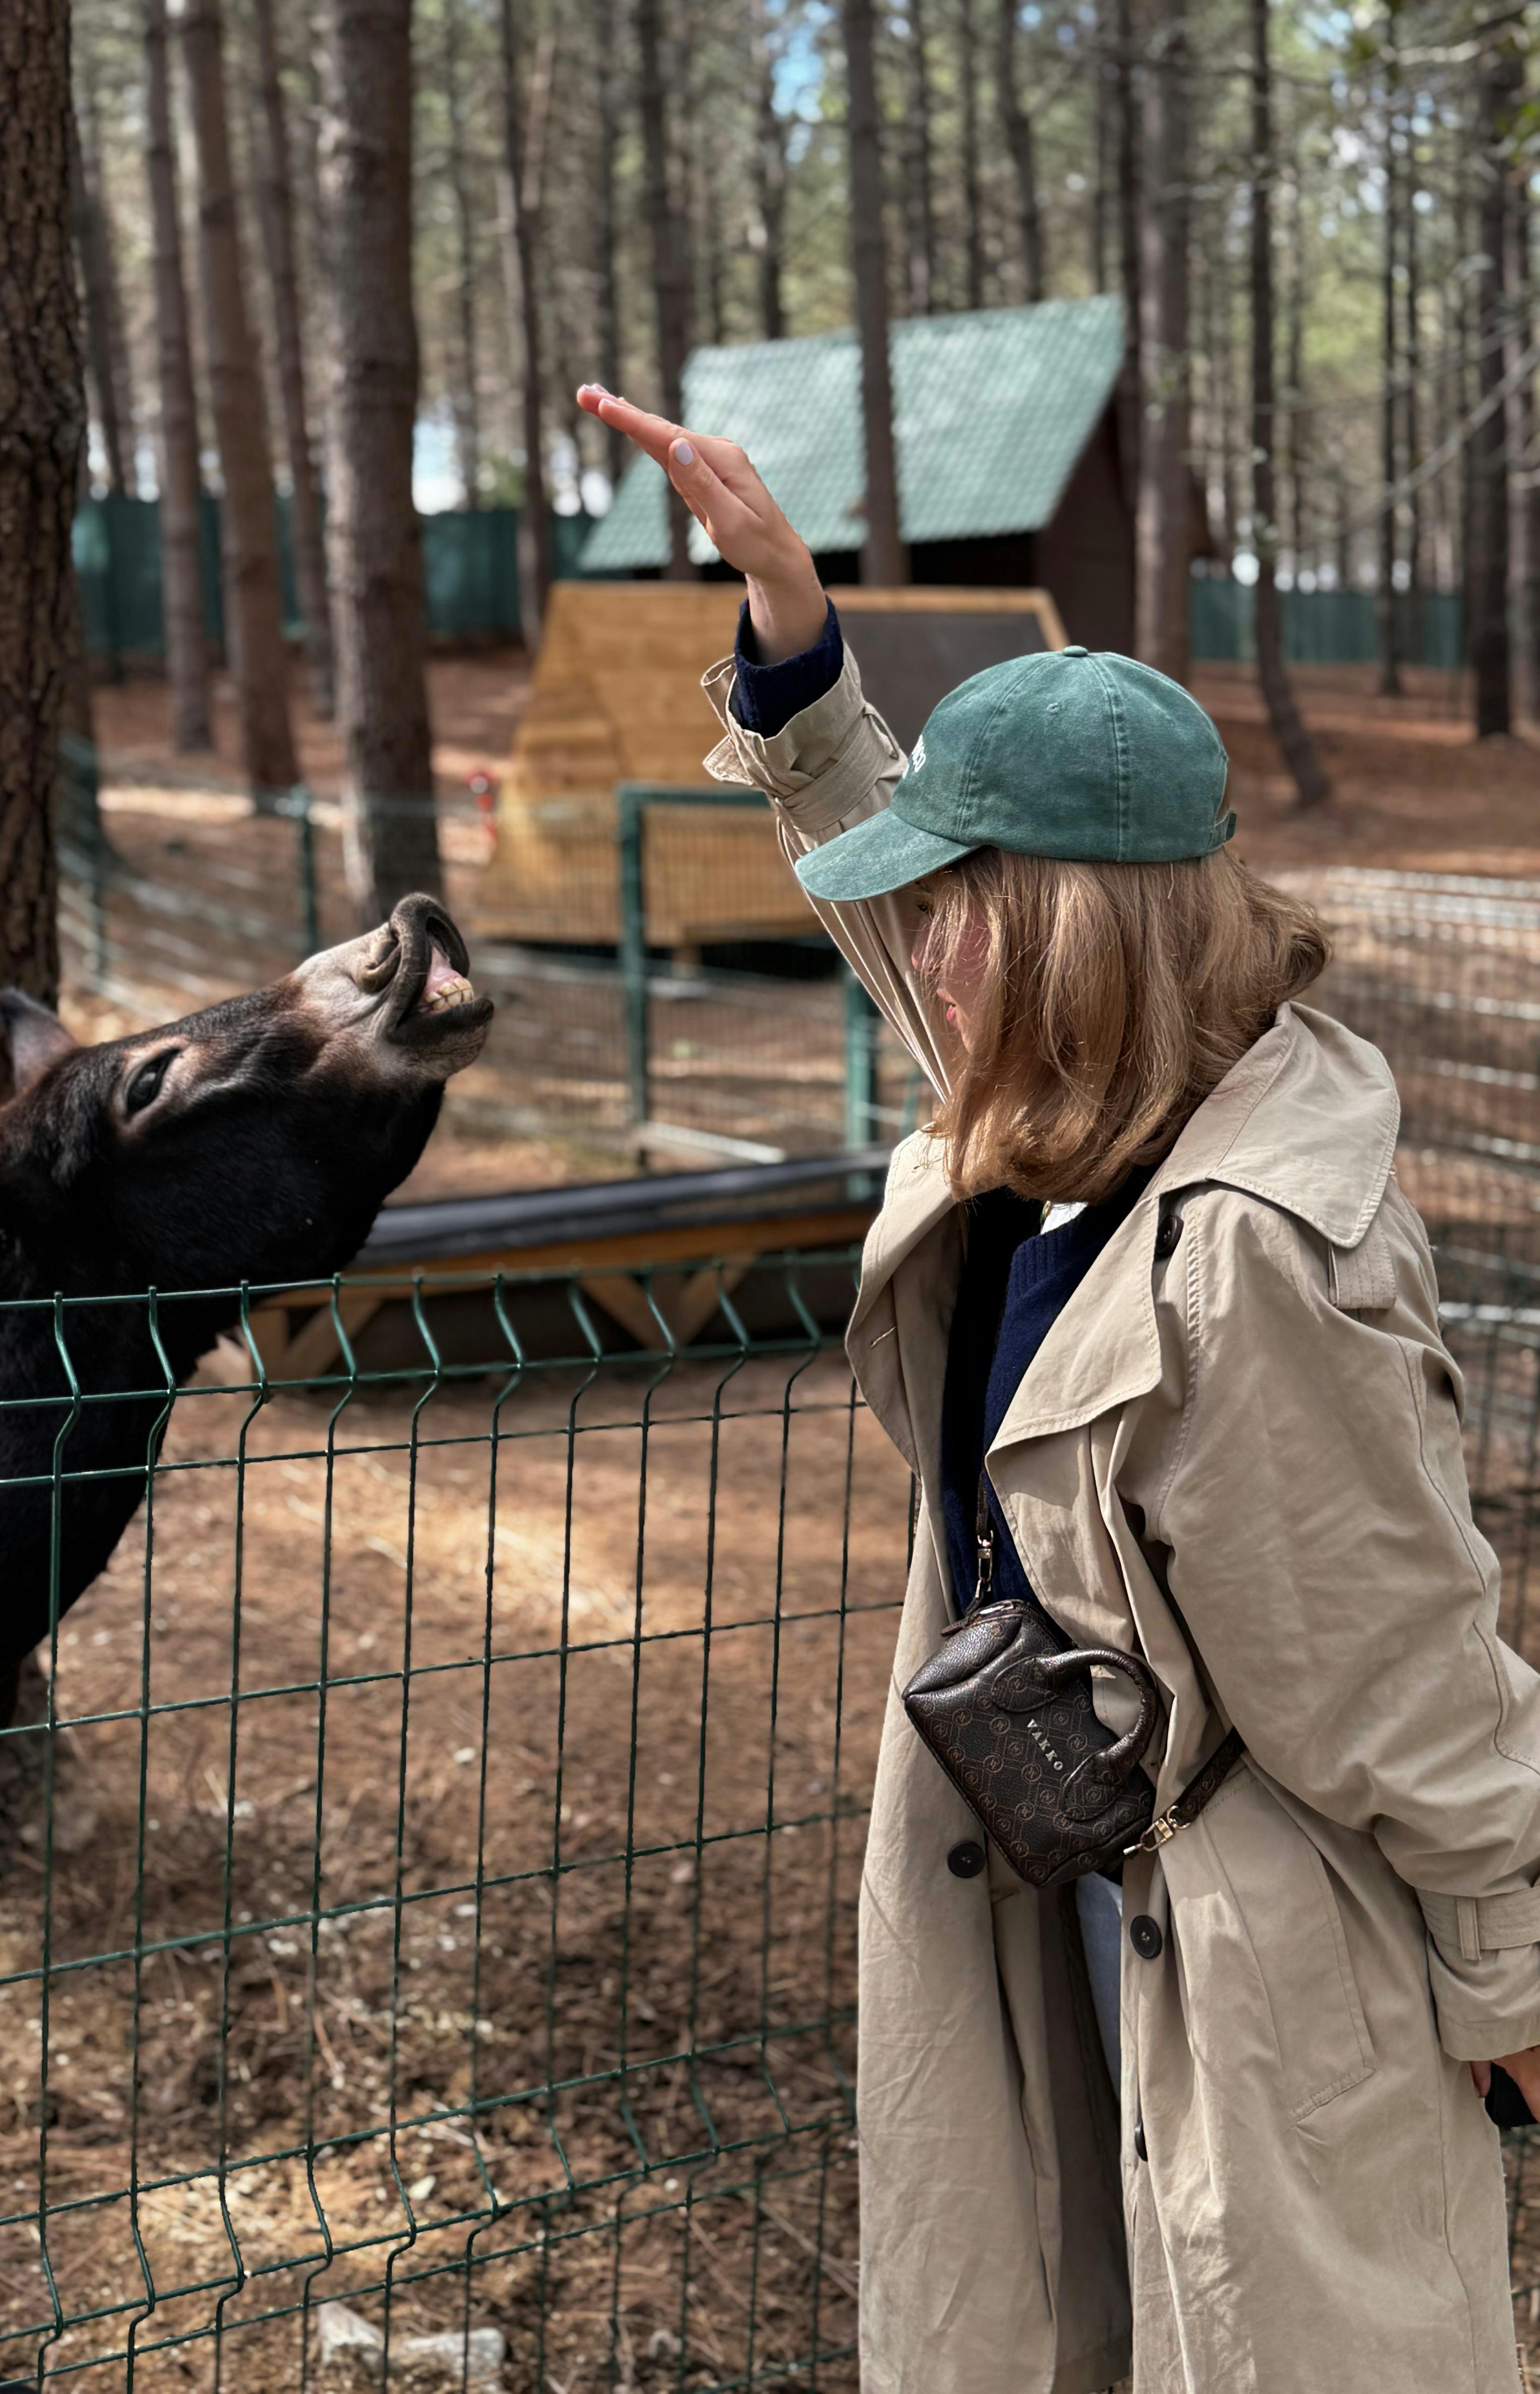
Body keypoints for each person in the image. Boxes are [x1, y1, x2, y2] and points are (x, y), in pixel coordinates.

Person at [576, 382, 1540, 2394]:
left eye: (956, 910)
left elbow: (1406, 1672)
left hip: (1261, 1942)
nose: (912, 947)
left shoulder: (1253, 1252)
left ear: (1068, 932)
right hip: (1071, 1867)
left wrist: (1515, 1973)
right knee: (1064, 2313)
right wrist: (789, 634)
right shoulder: (1055, 1108)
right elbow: (859, 866)